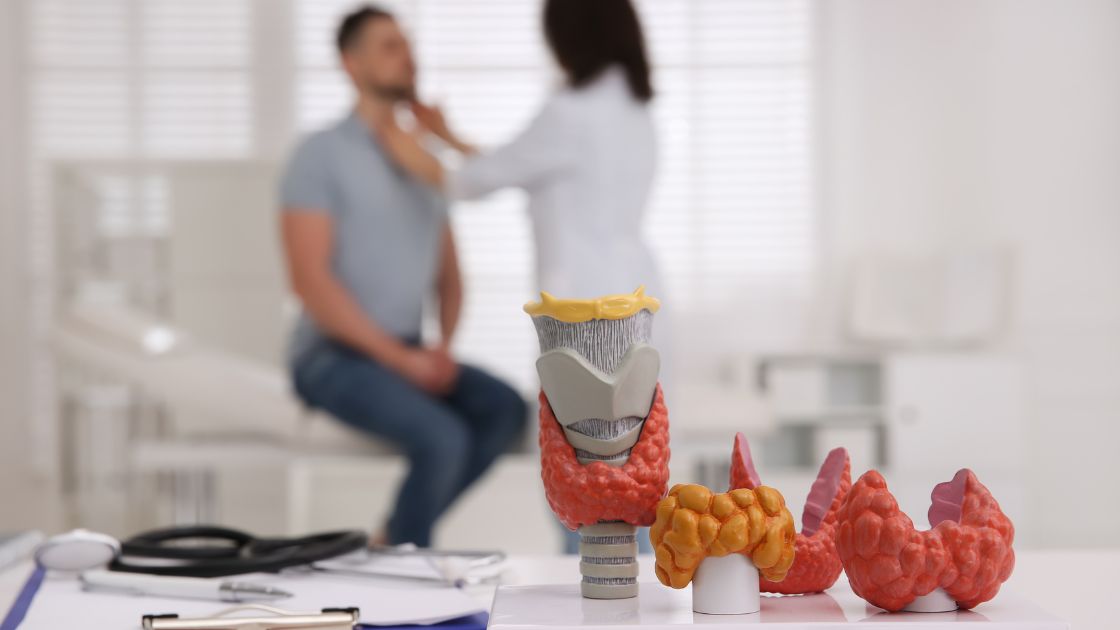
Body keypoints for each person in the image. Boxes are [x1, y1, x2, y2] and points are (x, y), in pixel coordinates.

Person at [277, 5, 526, 548]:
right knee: (442, 437)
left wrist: (441, 348)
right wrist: (402, 362)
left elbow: (452, 279)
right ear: (350, 62)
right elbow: (309, 283)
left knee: (507, 409)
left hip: (409, 348)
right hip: (331, 356)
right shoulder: (320, 155)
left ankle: (394, 539)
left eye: (407, 44)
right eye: (389, 46)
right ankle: (406, 572)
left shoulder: (424, 164)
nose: (407, 56)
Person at [385, 0, 666, 304]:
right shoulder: (634, 110)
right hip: (638, 293)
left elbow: (469, 181)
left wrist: (391, 136)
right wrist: (447, 137)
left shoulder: (571, 113)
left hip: (587, 299)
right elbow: (520, 163)